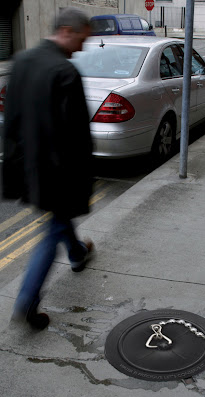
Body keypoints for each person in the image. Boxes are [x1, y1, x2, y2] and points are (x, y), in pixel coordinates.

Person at [2, 7, 94, 330]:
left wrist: (13, 164)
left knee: (58, 221)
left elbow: (10, 119)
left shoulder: (22, 62)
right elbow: (78, 137)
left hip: (28, 165)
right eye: (82, 39)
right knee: (52, 229)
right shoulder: (65, 72)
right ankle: (27, 299)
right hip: (58, 170)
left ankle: (78, 252)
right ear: (67, 31)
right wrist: (84, 177)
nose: (82, 48)